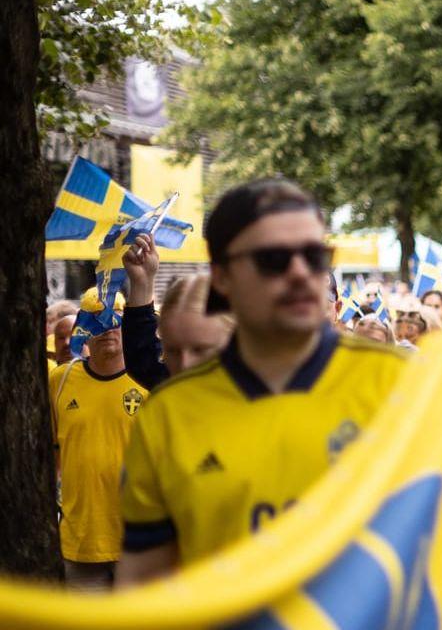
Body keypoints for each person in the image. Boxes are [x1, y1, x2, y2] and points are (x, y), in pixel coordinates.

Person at [116, 179, 408, 585]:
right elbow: (144, 585)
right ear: (222, 279)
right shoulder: (166, 416)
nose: (301, 273)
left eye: (314, 256)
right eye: (273, 259)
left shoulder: (404, 385)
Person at [48, 288, 148, 591]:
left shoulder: (151, 381)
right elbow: (48, 455)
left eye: (116, 319)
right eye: (98, 320)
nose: (109, 328)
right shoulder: (60, 380)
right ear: (84, 328)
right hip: (81, 541)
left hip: (141, 543)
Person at [121, 233, 234, 383]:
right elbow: (143, 360)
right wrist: (142, 282)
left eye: (200, 350)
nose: (184, 364)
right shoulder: (173, 392)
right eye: (172, 351)